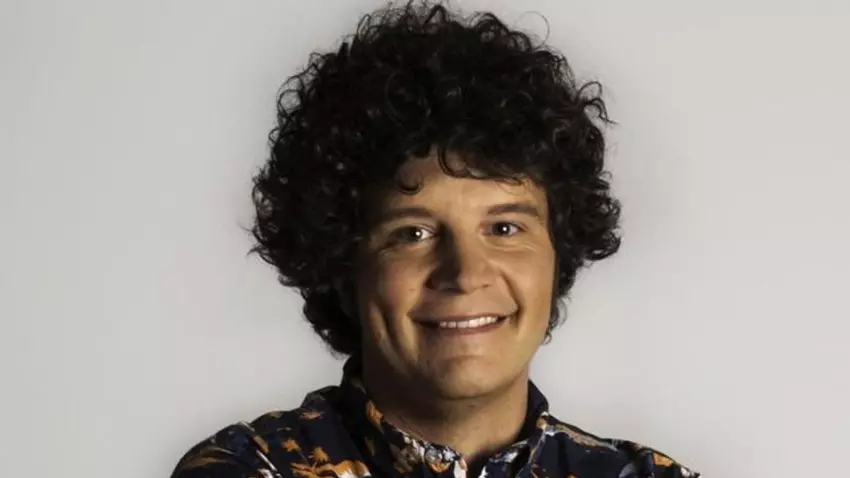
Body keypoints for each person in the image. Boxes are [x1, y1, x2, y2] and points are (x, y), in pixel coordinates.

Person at [170, 2, 699, 477]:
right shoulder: (246, 468)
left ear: (557, 256)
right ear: (343, 265)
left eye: (505, 228)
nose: (466, 273)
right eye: (414, 233)